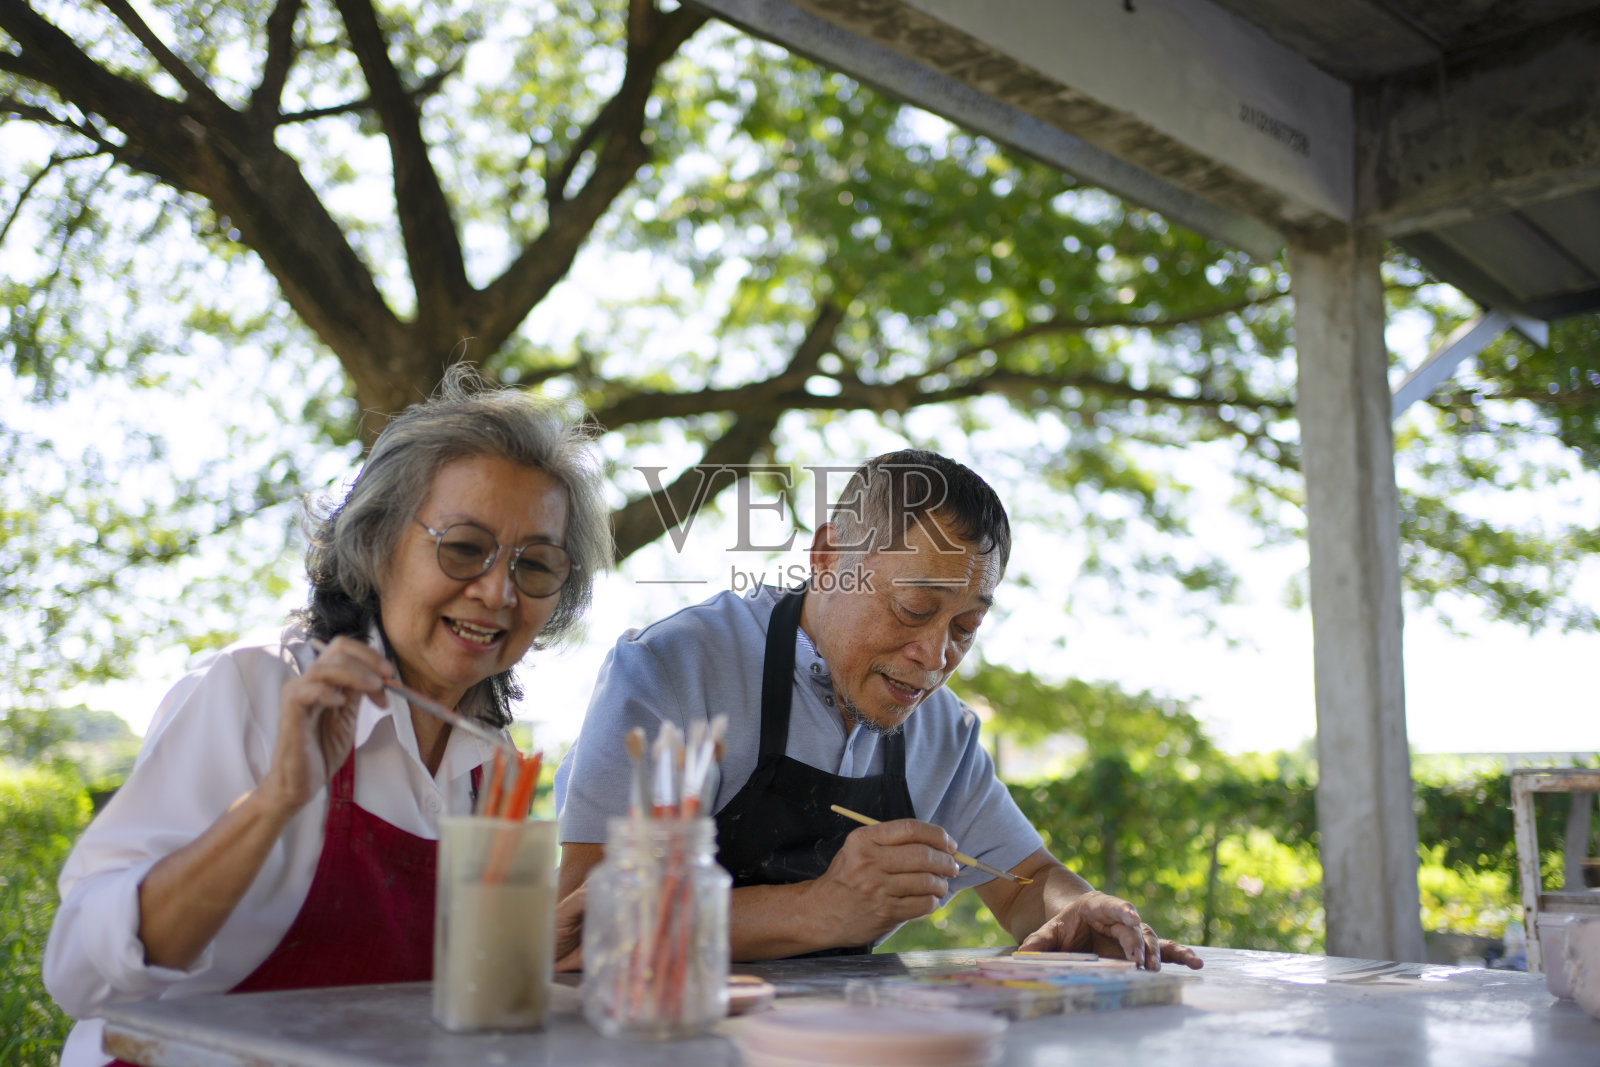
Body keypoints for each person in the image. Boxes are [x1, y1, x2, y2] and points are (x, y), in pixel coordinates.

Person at [44, 365, 612, 1067]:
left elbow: (413, 1001)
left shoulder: (489, 764)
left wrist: (531, 947)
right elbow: (78, 973)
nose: (497, 591)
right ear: (377, 545)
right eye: (464, 547)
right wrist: (274, 800)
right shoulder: (255, 688)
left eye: (536, 565)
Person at [555, 449, 1202, 968]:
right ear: (829, 558)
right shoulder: (675, 669)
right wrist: (820, 908)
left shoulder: (943, 731)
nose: (934, 655)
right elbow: (585, 928)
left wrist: (1081, 909)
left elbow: (1028, 881)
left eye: (966, 626)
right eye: (915, 609)